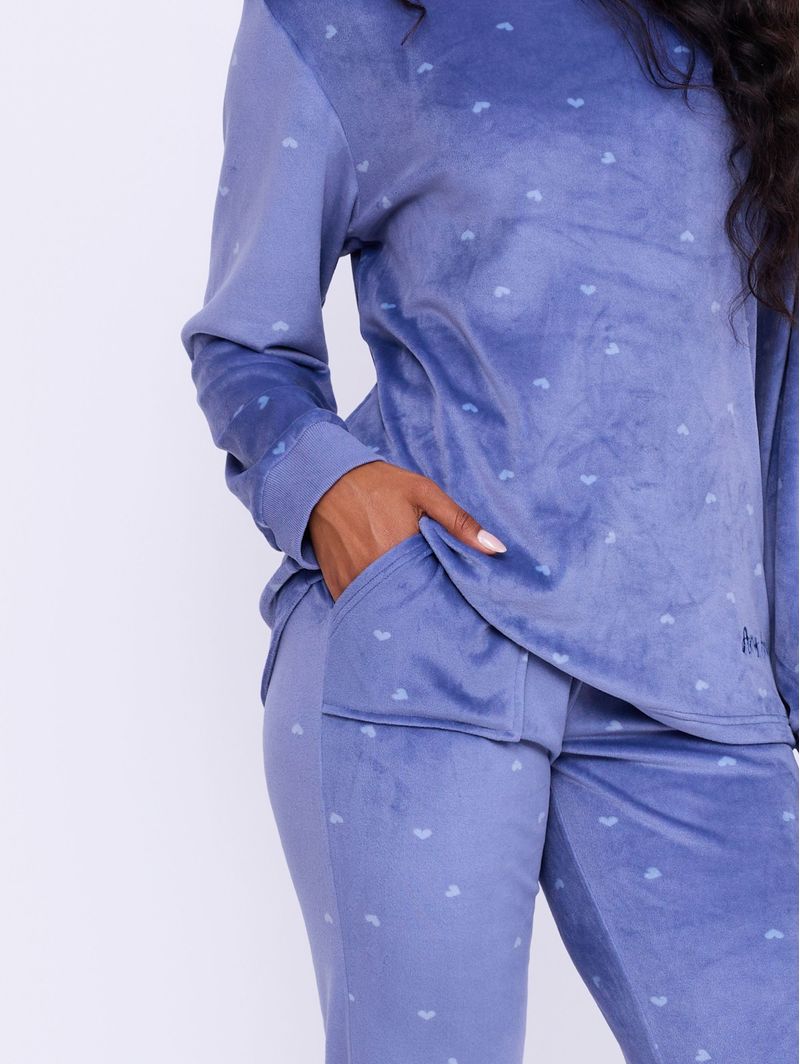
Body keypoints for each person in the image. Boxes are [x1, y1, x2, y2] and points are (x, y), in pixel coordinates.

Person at [180, 1, 799, 1060]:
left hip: (694, 677)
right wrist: (334, 489)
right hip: (427, 646)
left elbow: (778, 387)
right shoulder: (336, 17)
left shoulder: (740, 32)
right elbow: (245, 341)